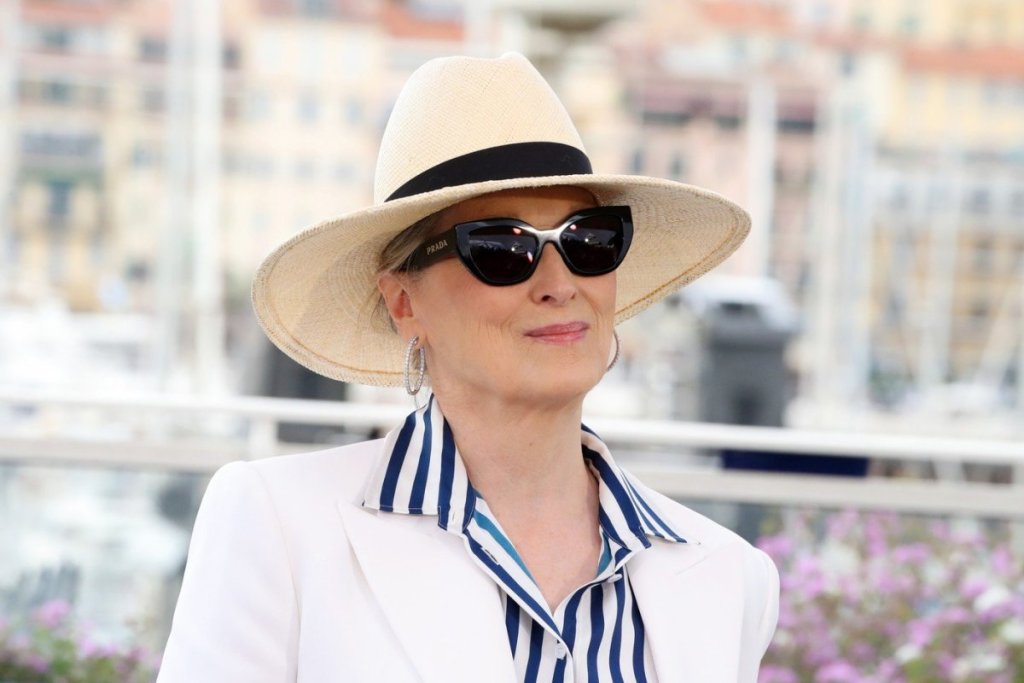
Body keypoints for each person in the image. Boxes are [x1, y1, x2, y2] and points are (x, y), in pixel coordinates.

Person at [157, 53, 778, 683]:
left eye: (590, 240)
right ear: (404, 301)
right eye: (502, 248)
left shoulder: (730, 578)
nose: (559, 284)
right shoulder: (279, 526)